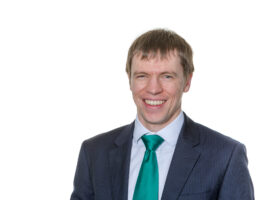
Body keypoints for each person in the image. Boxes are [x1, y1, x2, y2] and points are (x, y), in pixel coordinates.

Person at [70, 29, 254, 200]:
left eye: (167, 76)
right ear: (130, 80)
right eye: (142, 76)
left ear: (187, 81)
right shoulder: (94, 153)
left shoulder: (225, 156)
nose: (153, 89)